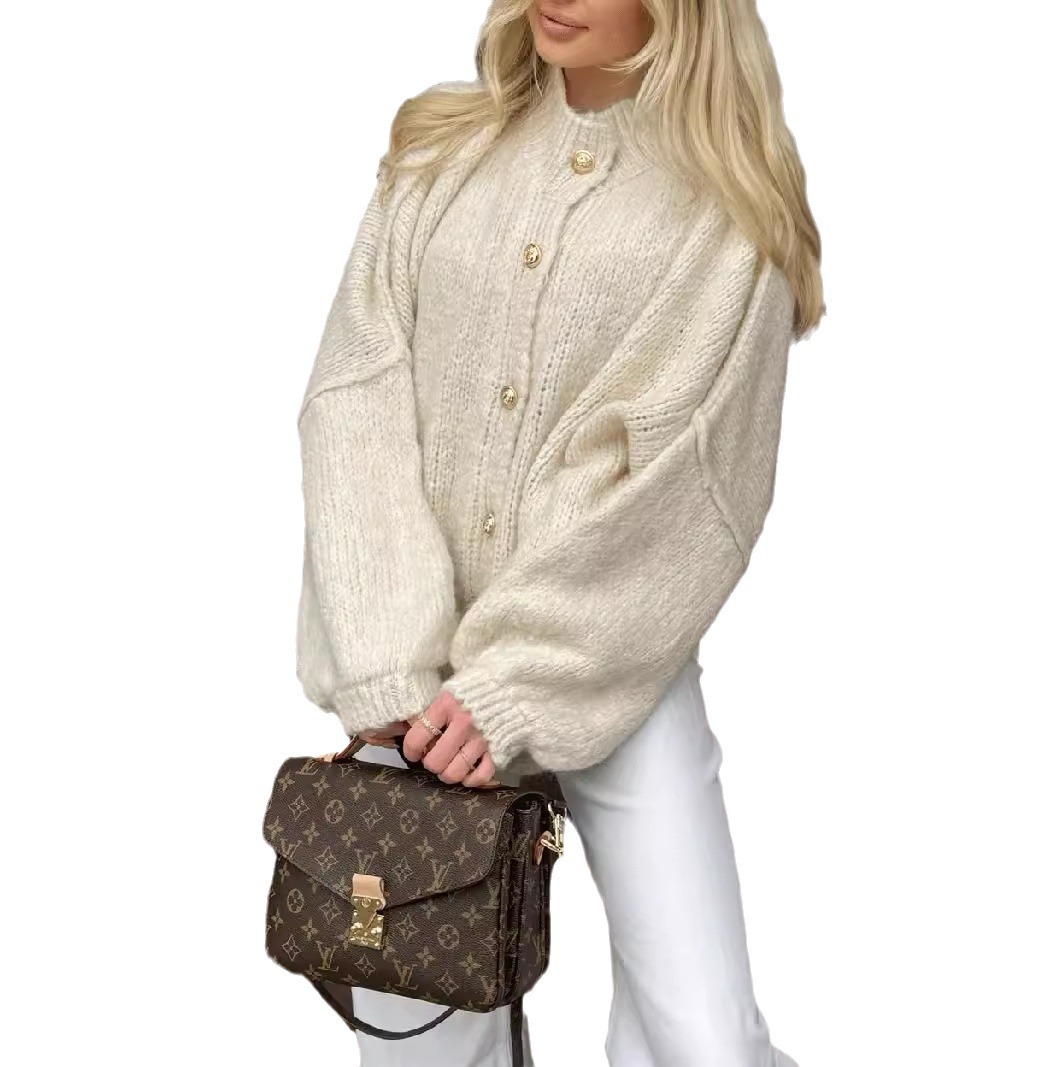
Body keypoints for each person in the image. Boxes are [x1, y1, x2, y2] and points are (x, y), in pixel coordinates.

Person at [294, 1, 823, 1064]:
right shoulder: (443, 153)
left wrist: (512, 684)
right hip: (413, 687)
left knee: (703, 1040)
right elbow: (354, 395)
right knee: (423, 1036)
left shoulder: (727, 212)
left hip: (610, 664)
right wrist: (392, 665)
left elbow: (691, 496)